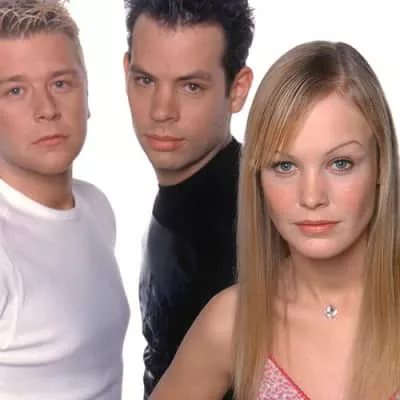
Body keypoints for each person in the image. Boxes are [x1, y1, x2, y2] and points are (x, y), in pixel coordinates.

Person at [149, 40, 400, 400]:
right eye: (285, 166)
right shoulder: (232, 323)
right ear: (257, 176)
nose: (311, 197)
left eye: (340, 163)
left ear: (381, 165)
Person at [122, 0, 254, 398]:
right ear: (126, 72)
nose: (162, 111)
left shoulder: (266, 221)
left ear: (237, 90)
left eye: (191, 86)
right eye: (146, 81)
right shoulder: (182, 197)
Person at [0, 1, 130, 399]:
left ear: (86, 94)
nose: (46, 110)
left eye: (60, 83)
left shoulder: (95, 207)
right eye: (15, 90)